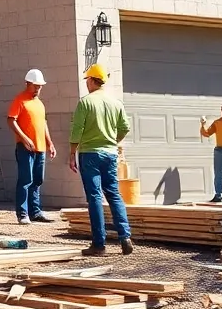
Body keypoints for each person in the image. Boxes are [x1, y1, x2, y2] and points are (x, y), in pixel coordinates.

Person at [68, 63, 133, 257]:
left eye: (87, 79)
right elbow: (125, 127)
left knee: (95, 196)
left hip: (90, 153)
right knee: (113, 193)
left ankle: (99, 244)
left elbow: (77, 129)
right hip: (110, 153)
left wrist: (72, 152)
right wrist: (113, 141)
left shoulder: (85, 102)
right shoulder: (115, 103)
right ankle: (125, 237)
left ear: (91, 80)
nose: (86, 83)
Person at [8, 69, 56, 224]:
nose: (38, 89)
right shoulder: (20, 100)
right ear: (27, 83)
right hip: (25, 148)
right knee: (25, 180)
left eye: (40, 86)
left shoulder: (40, 104)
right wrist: (24, 138)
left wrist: (50, 143)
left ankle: (35, 212)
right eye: (35, 86)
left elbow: (43, 124)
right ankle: (22, 213)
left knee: (37, 180)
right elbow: (11, 120)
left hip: (40, 148)